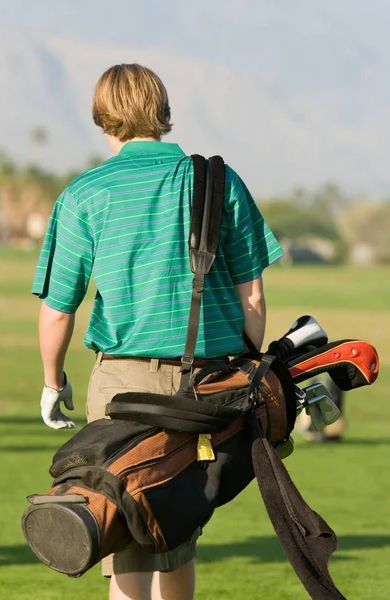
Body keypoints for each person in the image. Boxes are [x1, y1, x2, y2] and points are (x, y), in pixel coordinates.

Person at [32, 63, 284, 600]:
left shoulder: (86, 193)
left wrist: (53, 383)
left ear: (104, 118)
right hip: (205, 384)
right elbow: (254, 297)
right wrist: (245, 362)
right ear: (162, 111)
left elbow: (58, 310)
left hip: (121, 385)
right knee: (178, 525)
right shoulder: (219, 180)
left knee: (122, 523)